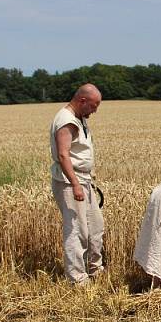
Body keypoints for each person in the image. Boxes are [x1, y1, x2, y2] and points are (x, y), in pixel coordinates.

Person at [50, 83, 104, 285]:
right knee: (76, 230)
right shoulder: (66, 121)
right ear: (82, 101)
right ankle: (77, 279)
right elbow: (63, 155)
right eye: (93, 106)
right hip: (70, 181)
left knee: (95, 227)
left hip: (83, 180)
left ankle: (94, 269)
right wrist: (75, 184)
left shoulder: (78, 117)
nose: (95, 110)